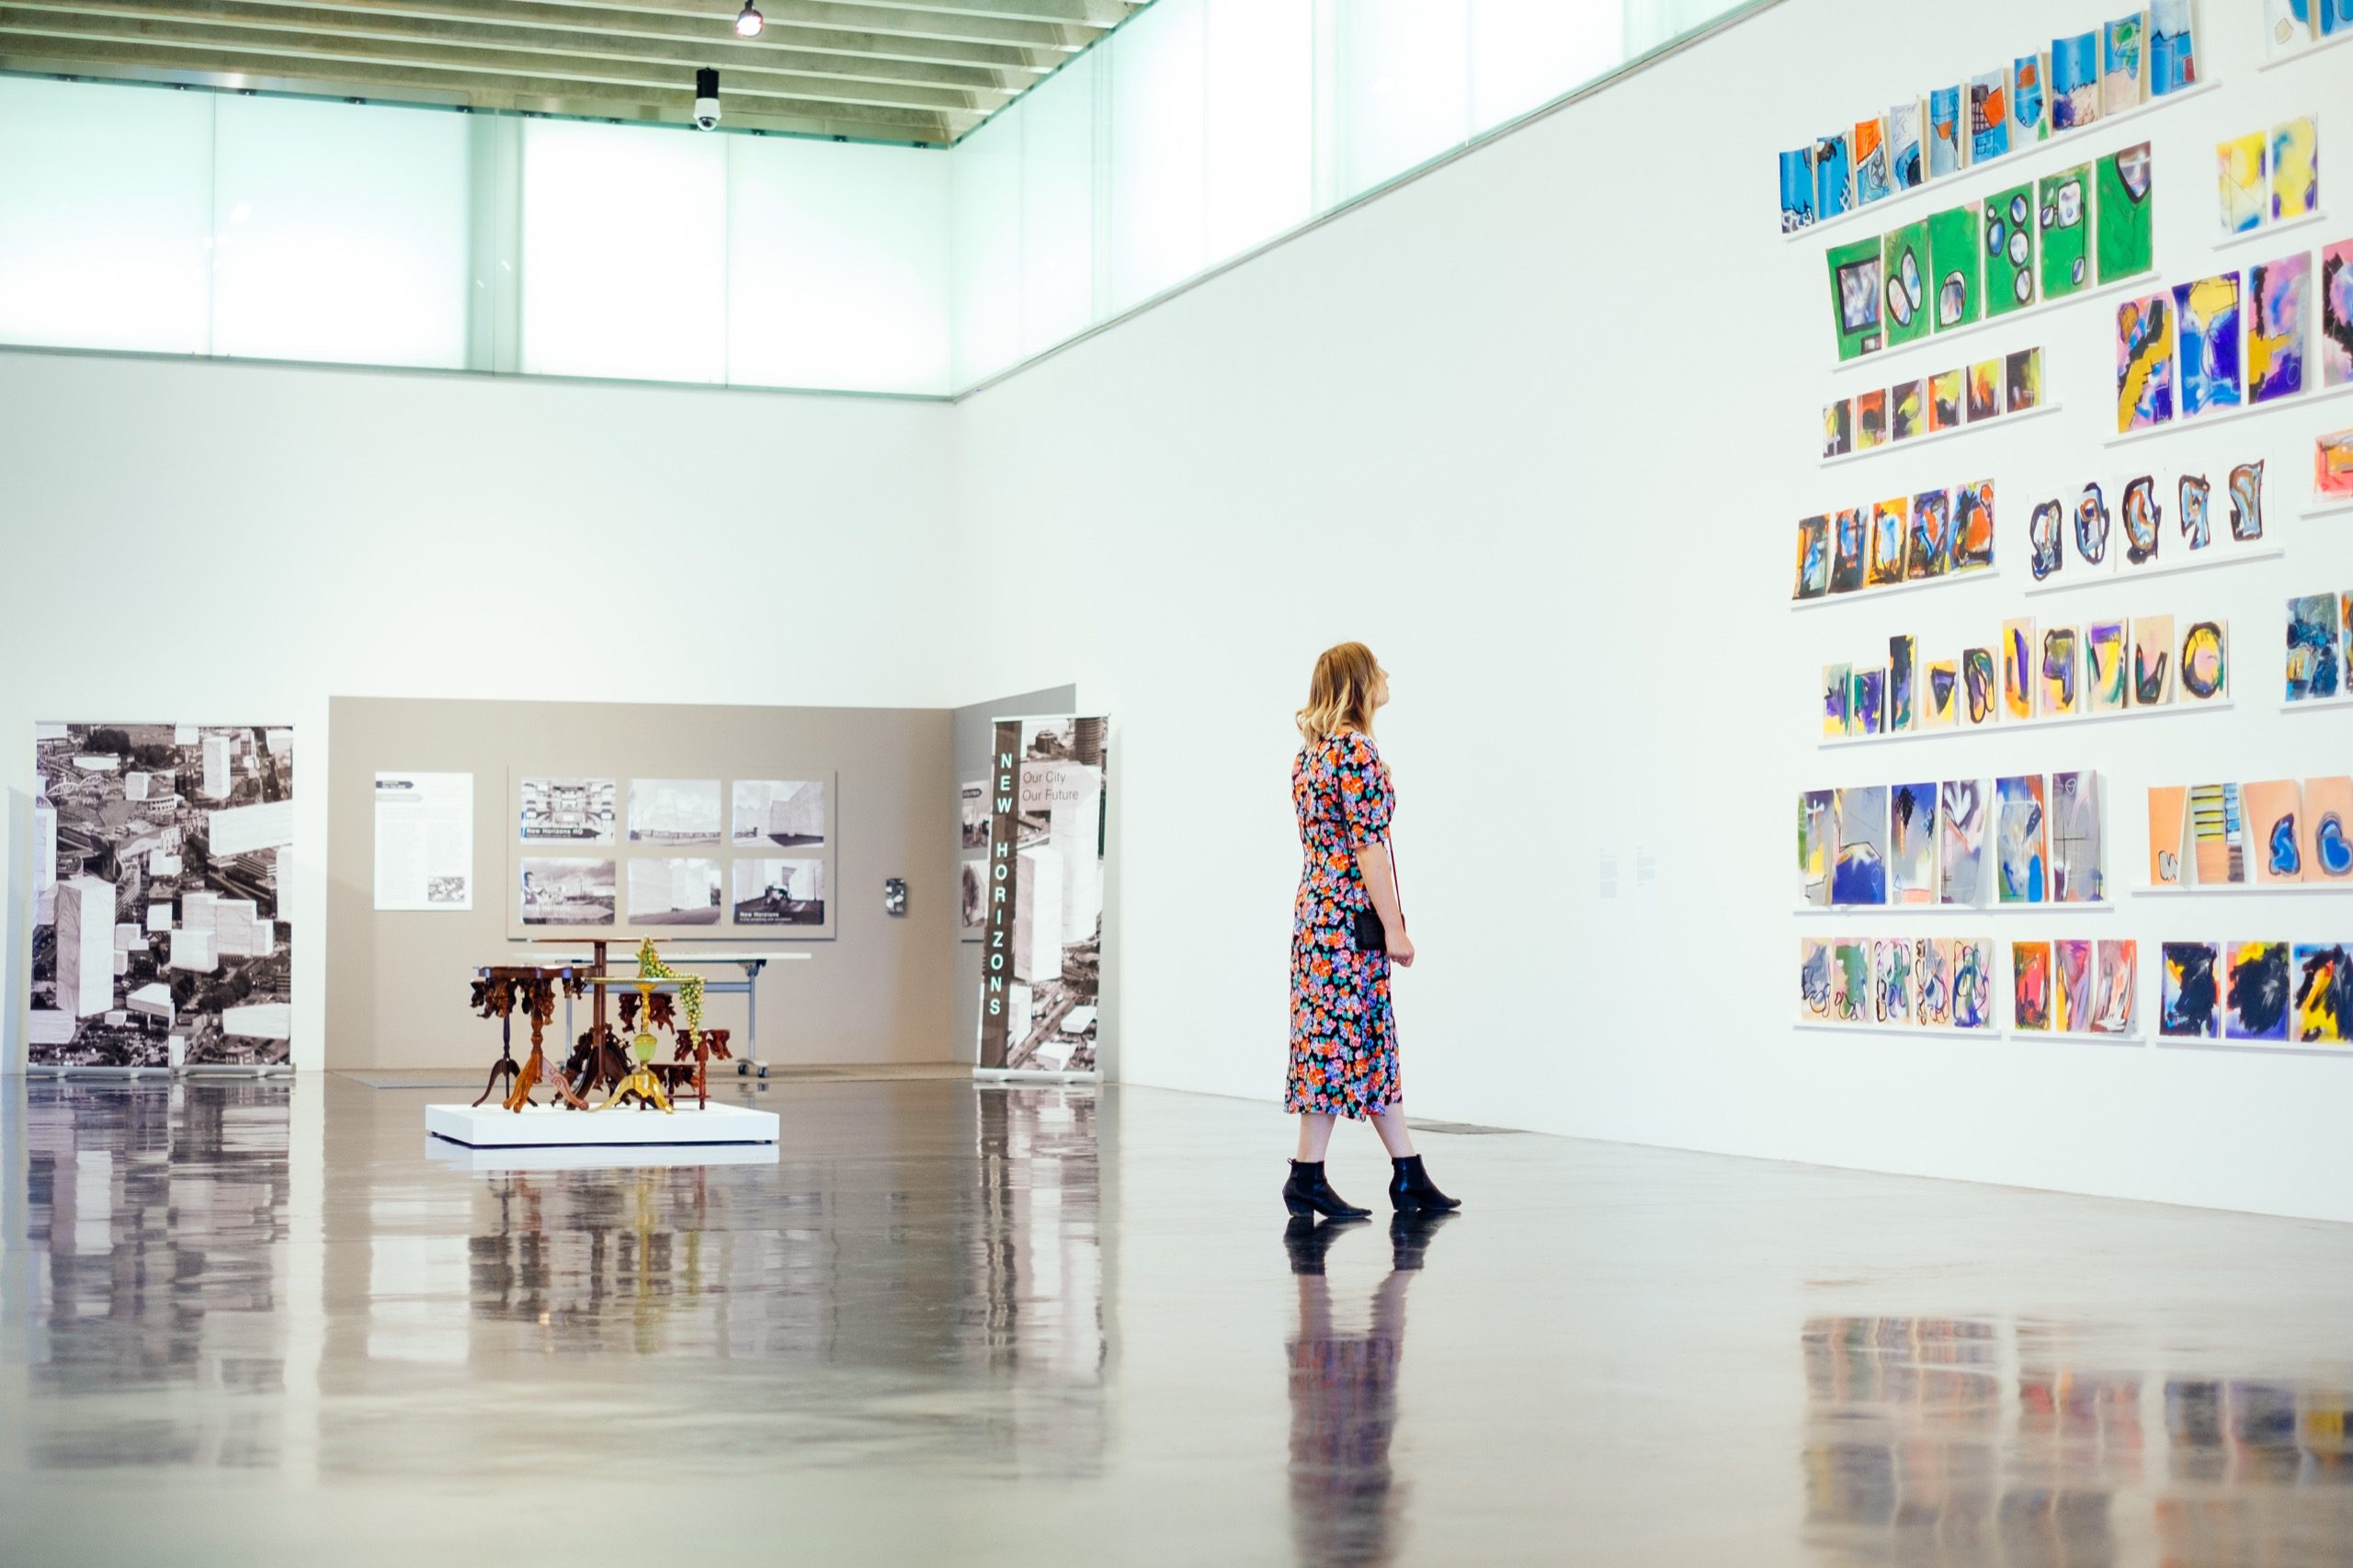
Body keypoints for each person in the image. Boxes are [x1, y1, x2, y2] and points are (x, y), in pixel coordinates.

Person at [1281, 642, 1459, 1221]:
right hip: (1351, 918)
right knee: (1353, 1040)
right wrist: (1395, 927)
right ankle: (1379, 1177)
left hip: (1316, 916)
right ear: (1361, 684)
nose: (1387, 677)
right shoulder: (1355, 751)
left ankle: (1391, 1173)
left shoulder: (1309, 757)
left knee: (1341, 1043)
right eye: (1378, 670)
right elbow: (1368, 847)